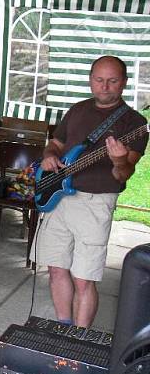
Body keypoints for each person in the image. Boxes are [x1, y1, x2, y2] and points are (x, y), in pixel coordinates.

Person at [34, 55, 147, 328]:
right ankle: (63, 327)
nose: (104, 87)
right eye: (99, 80)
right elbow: (57, 144)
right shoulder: (77, 109)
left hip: (96, 203)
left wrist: (119, 159)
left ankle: (79, 339)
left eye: (112, 81)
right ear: (90, 80)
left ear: (124, 83)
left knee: (84, 277)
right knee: (56, 267)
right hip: (60, 198)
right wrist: (49, 156)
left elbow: (124, 174)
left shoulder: (135, 124)